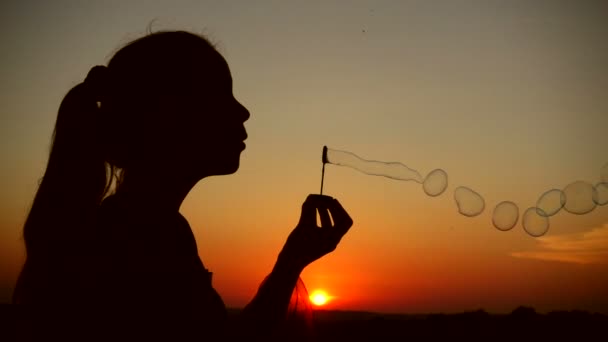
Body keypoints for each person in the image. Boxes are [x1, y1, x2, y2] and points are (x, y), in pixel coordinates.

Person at [12, 31, 353, 341]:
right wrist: (290, 262)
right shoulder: (140, 240)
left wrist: (291, 259)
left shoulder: (146, 227)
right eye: (222, 95)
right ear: (171, 115)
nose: (244, 112)